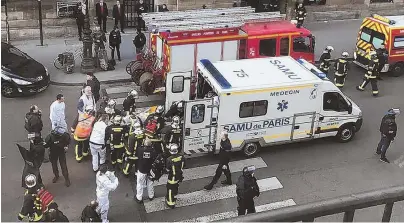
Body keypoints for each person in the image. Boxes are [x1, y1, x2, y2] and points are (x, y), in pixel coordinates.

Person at [135, 138, 157, 203]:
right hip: (150, 170)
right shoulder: (153, 151)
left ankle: (139, 198)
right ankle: (151, 196)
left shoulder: (140, 150)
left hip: (142, 170)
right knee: (150, 183)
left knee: (140, 184)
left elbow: (137, 156)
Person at [165, 144, 185, 209]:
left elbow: (167, 169)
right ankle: (174, 196)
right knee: (176, 186)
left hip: (172, 177)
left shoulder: (169, 159)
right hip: (179, 176)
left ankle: (171, 203)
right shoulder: (182, 157)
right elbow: (184, 165)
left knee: (170, 189)